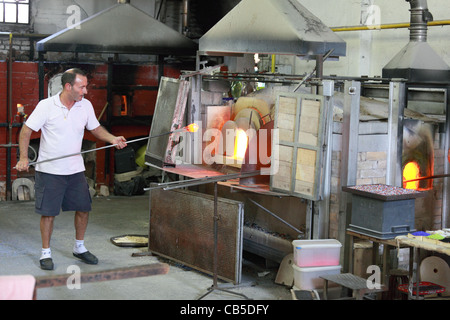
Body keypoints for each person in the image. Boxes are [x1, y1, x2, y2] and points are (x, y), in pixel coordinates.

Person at [16, 68, 127, 270]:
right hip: (50, 170)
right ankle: (45, 253)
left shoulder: (85, 105)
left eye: (86, 86)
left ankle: (79, 247)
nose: (85, 91)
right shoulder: (46, 106)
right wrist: (24, 157)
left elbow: (94, 128)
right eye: (81, 86)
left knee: (84, 209)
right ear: (68, 86)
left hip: (75, 170)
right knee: (48, 213)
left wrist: (112, 138)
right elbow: (26, 130)